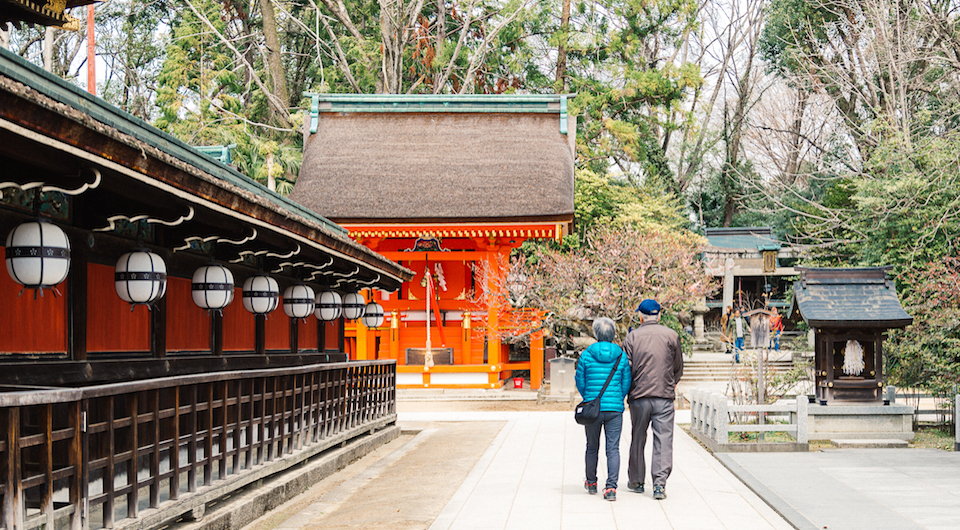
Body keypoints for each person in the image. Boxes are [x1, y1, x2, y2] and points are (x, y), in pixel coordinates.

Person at [622, 299, 683, 501]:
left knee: (638, 437)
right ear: (660, 314)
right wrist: (671, 382)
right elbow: (677, 367)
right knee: (663, 439)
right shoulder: (671, 335)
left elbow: (626, 369)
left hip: (639, 396)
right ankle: (659, 484)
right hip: (664, 396)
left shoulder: (632, 337)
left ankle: (637, 481)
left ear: (640, 315)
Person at [575, 317, 631, 502]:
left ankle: (591, 482)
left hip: (593, 408)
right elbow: (626, 383)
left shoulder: (586, 355)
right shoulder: (621, 356)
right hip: (615, 409)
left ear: (596, 334)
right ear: (613, 334)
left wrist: (590, 399)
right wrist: (617, 399)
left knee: (592, 446)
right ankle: (611, 488)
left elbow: (580, 382)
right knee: (613, 448)